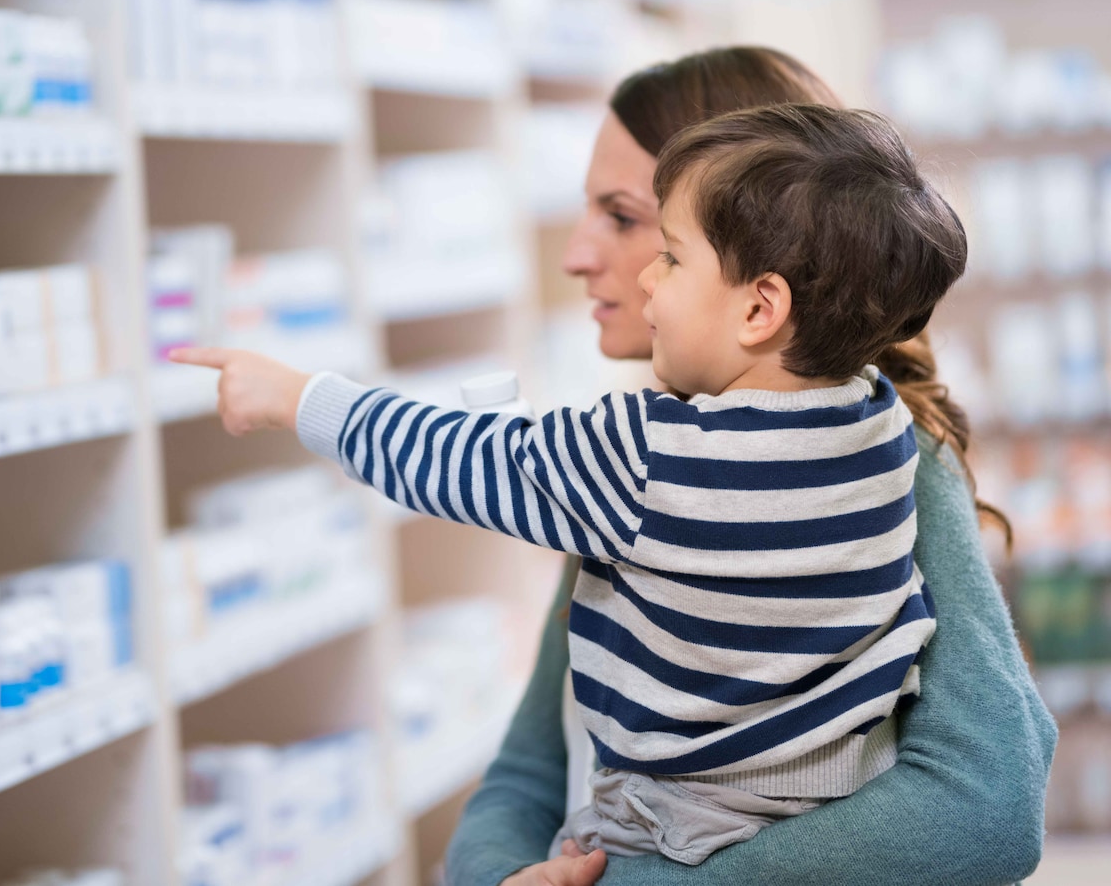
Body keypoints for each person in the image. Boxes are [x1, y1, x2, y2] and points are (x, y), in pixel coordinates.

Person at [175, 100, 967, 864]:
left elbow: (458, 459)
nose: (647, 279)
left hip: (668, 821)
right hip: (840, 792)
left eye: (670, 254)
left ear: (761, 307)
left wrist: (301, 397)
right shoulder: (882, 422)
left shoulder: (648, 454)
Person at [446, 49, 1056, 886]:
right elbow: (524, 773)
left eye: (629, 220)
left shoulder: (882, 462)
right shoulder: (645, 459)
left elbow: (985, 806)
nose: (577, 254)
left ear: (763, 285)